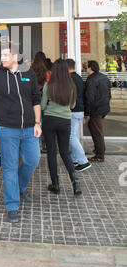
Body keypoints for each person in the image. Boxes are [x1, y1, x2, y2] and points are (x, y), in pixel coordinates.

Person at [0, 42, 42, 223]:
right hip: (6, 129)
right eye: (1, 55)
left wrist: (38, 123)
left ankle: (20, 186)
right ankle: (12, 205)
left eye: (6, 55)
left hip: (29, 128)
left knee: (33, 160)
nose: (2, 58)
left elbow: (36, 99)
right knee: (9, 167)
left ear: (16, 57)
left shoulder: (28, 73)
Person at [41, 58, 81, 196]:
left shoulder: (48, 85)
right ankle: (75, 182)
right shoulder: (72, 86)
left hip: (50, 120)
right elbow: (72, 106)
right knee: (65, 152)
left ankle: (55, 185)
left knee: (52, 153)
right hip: (65, 121)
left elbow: (42, 105)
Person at [66, 59, 91, 172]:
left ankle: (83, 161)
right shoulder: (78, 78)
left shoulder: (70, 79)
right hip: (79, 110)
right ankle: (75, 158)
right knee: (74, 135)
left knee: (71, 136)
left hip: (74, 110)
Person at [84, 60, 111, 162]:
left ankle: (100, 154)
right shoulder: (104, 77)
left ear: (90, 68)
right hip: (103, 108)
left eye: (87, 67)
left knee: (97, 131)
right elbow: (109, 93)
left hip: (96, 109)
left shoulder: (91, 80)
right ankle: (98, 150)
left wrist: (87, 112)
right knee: (94, 127)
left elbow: (90, 97)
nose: (86, 69)